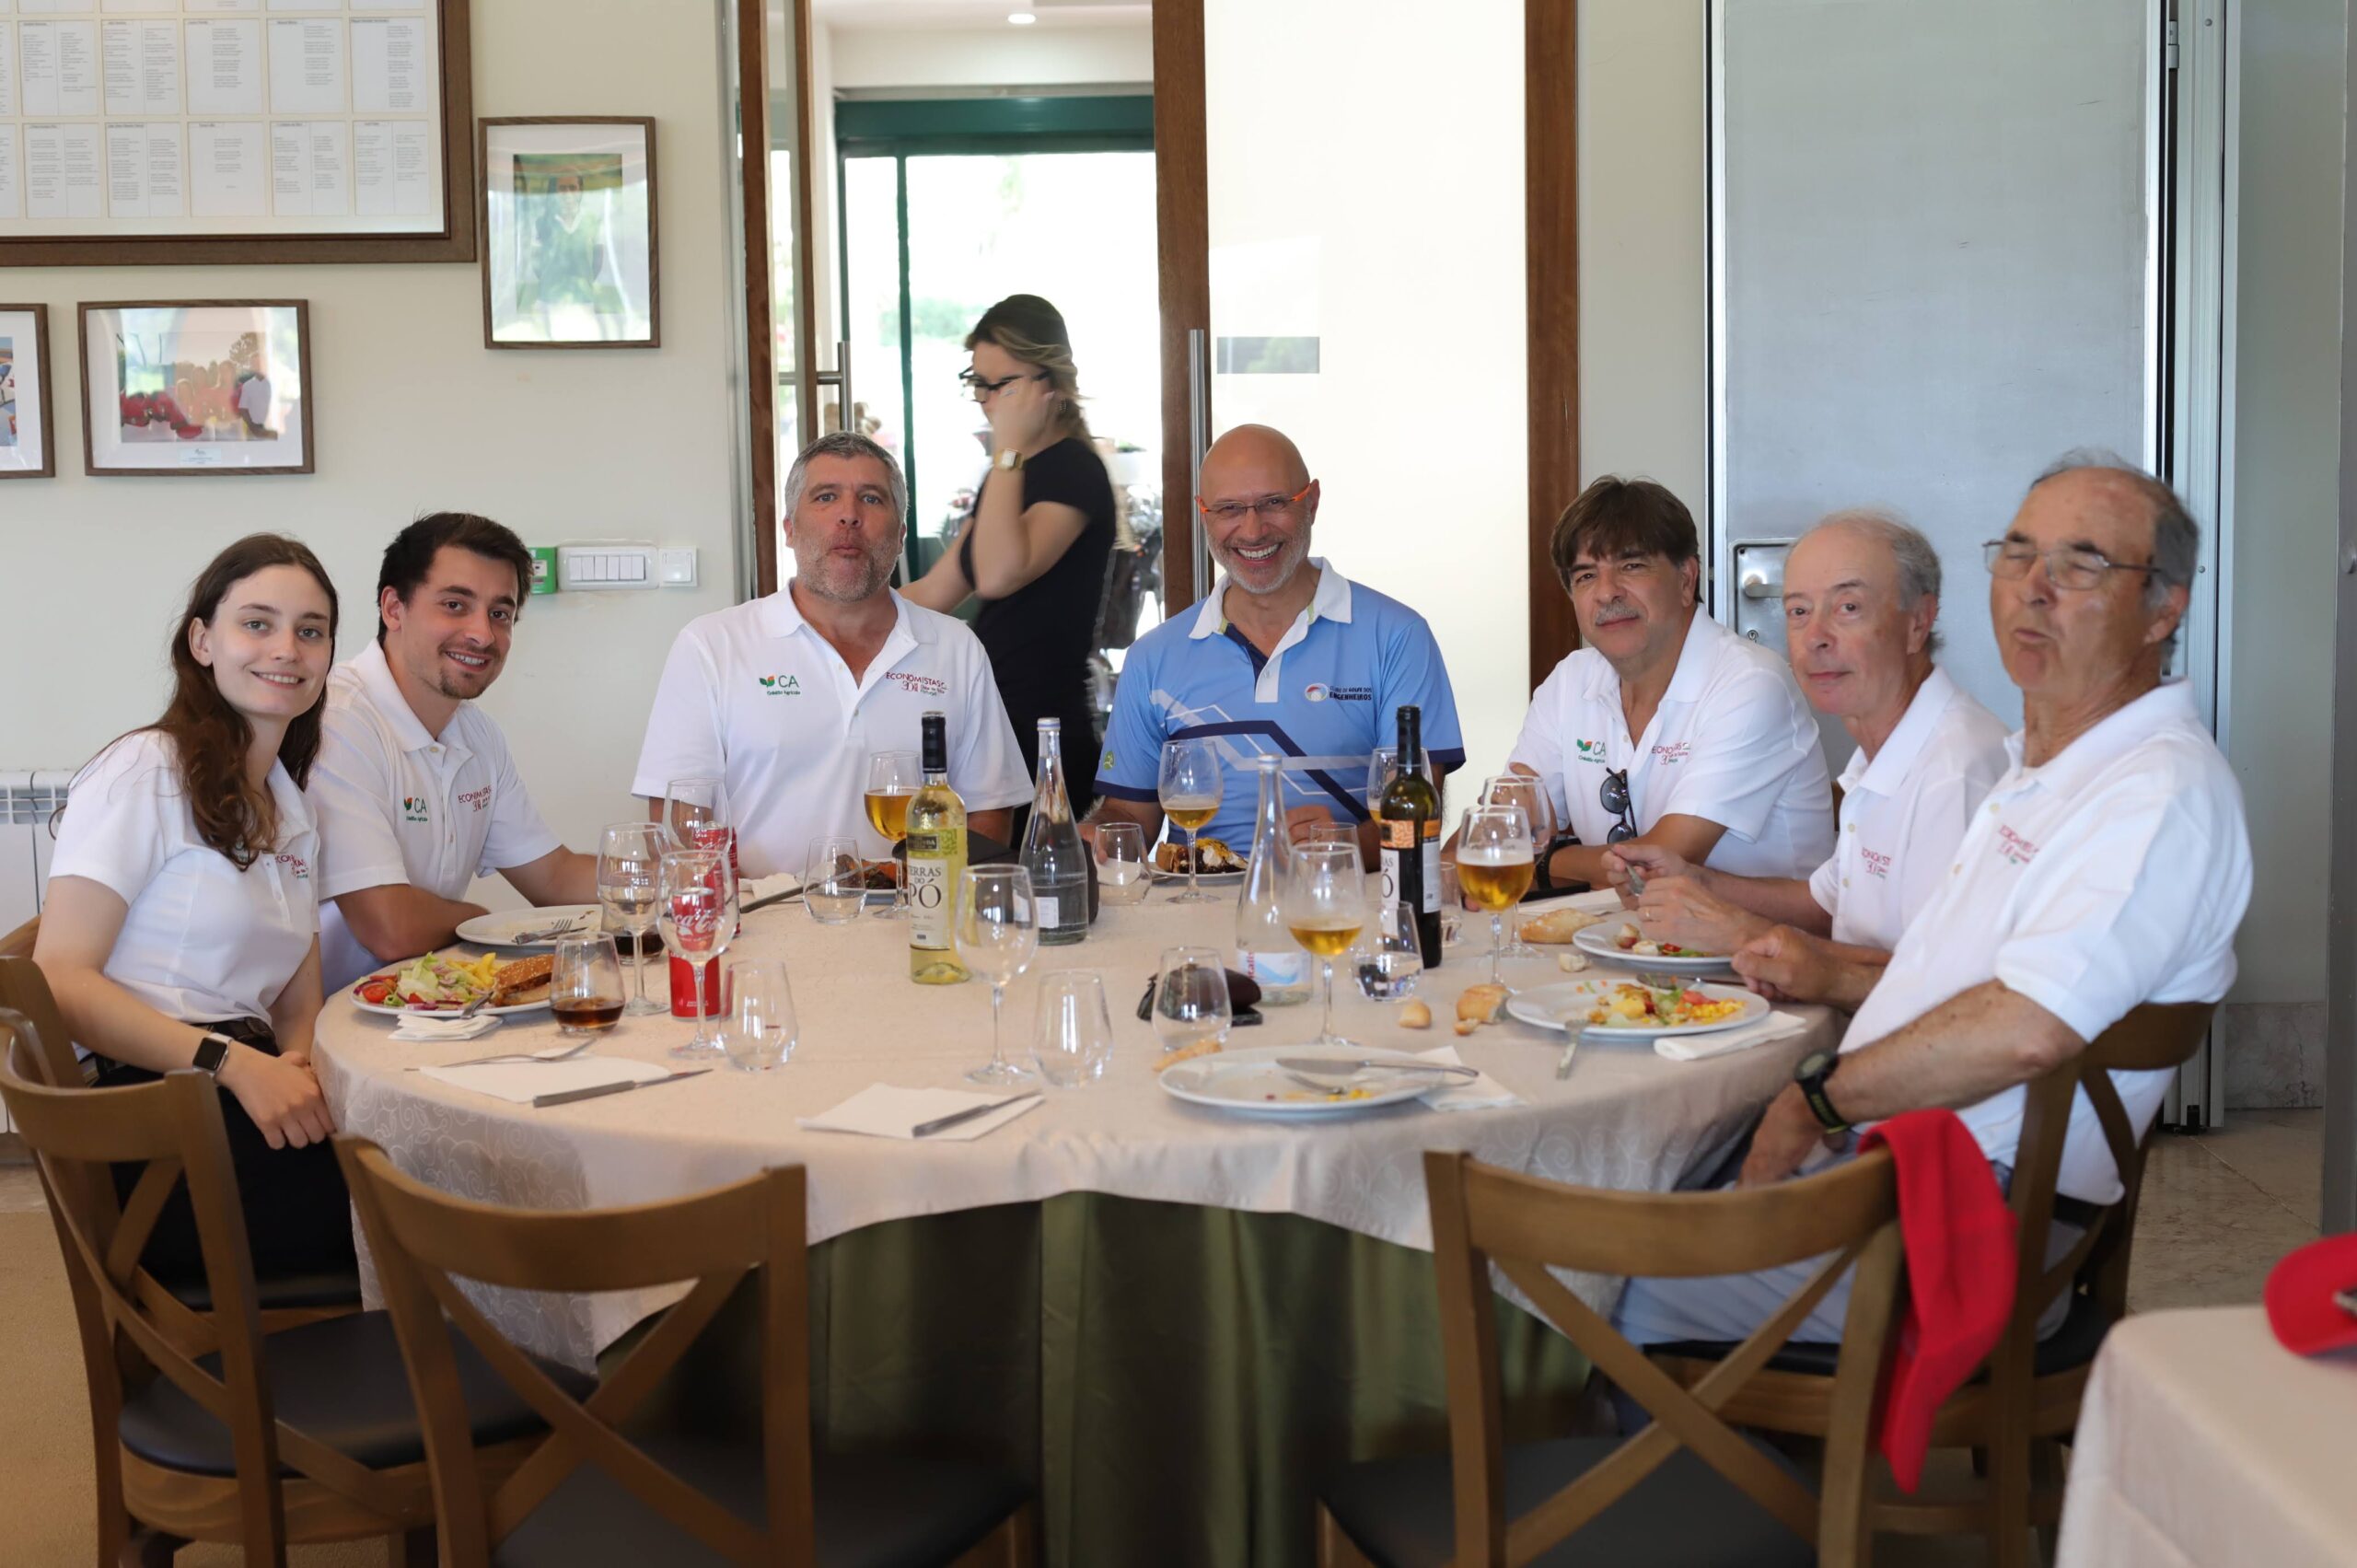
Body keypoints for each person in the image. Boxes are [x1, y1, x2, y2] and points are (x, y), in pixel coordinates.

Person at [1615, 454, 2252, 1348]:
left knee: (1578, 1284)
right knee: (1629, 1191)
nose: (2034, 588)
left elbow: (2027, 1026)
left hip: (1963, 1218)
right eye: (2018, 554)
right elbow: (1923, 962)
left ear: (2163, 609)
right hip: (1899, 1165)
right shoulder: (2046, 770)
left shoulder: (2157, 792)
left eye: (2081, 565)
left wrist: (1816, 1100)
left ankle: (1703, 1429)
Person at [33, 534, 355, 1285]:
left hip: (239, 1093)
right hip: (159, 1124)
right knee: (429, 1210)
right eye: (257, 623)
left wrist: (293, 1067)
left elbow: (296, 1002)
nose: (287, 648)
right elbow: (59, 979)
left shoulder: (290, 804)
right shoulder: (145, 770)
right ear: (203, 641)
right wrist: (231, 1064)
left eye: (310, 630)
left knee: (437, 1167)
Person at [1600, 511, 2010, 998]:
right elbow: (1827, 905)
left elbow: (1951, 988)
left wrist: (1743, 933)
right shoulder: (1885, 752)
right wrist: (1694, 881)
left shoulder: (1955, 772)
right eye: (1798, 612)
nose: (1815, 637)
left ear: (1918, 622)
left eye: (1848, 608)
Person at [633, 432, 1029, 872]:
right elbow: (680, 821)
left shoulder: (957, 649)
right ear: (789, 529)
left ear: (901, 535)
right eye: (825, 497)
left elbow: (989, 810)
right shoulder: (712, 645)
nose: (849, 515)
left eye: (872, 499)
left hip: (914, 908)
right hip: (761, 912)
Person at [1091, 424, 1465, 858]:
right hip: (1194, 897)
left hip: (1341, 896)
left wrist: (1343, 845)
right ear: (1204, 513)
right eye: (1229, 508)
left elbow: (1417, 822)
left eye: (1274, 503)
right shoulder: (1152, 657)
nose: (1253, 531)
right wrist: (1089, 838)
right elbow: (1128, 816)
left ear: (1313, 502)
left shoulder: (1398, 637)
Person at [308, 513, 600, 993]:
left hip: (421, 1009)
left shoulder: (476, 732)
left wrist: (679, 878)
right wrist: (482, 921)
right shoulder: (338, 721)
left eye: (500, 614)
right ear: (393, 608)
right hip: (316, 1021)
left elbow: (554, 877)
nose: (482, 634)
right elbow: (389, 927)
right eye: (455, 605)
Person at [1505, 476, 1834, 892]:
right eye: (1586, 576)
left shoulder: (1751, 683)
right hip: (1621, 929)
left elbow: (1656, 866)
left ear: (1686, 580)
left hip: (1756, 933)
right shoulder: (1570, 680)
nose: (1606, 593)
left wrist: (1543, 861)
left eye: (1631, 566)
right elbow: (1502, 833)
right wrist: (1501, 847)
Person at [902, 295, 1120, 822]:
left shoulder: (1073, 471)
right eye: (978, 382)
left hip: (1043, 734)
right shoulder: (1008, 476)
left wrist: (1008, 450)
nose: (987, 400)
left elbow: (999, 574)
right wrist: (827, 616)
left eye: (1002, 384)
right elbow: (933, 592)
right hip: (991, 723)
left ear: (1051, 383)